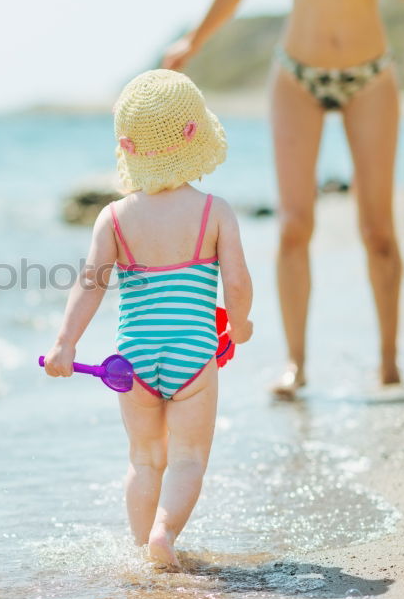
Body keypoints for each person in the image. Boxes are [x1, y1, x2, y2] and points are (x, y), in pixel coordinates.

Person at [162, 0, 404, 397]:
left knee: (377, 231)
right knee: (293, 226)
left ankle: (389, 364)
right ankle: (295, 364)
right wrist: (195, 40)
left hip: (368, 76)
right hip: (296, 76)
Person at [42, 70, 254, 569]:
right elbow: (238, 283)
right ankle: (165, 535)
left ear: (127, 146)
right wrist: (240, 325)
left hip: (132, 360)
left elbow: (90, 284)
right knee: (187, 458)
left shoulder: (114, 218)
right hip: (193, 355)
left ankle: (142, 554)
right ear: (193, 134)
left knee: (143, 458)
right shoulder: (213, 212)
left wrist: (65, 343)